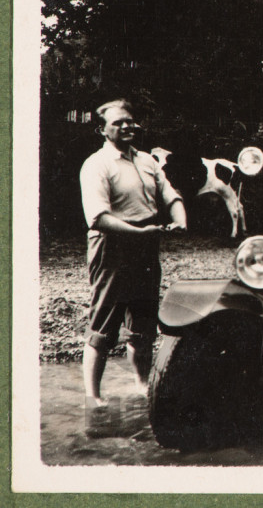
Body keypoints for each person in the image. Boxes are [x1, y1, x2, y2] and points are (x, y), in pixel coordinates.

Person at [79, 99, 187, 409]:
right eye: (118, 123)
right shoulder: (97, 165)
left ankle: (141, 384)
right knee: (103, 324)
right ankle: (93, 397)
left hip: (146, 245)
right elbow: (97, 217)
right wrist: (137, 232)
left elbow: (168, 193)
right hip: (112, 247)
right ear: (102, 130)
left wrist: (179, 217)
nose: (127, 126)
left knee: (143, 323)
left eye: (130, 121)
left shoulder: (148, 160)